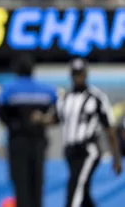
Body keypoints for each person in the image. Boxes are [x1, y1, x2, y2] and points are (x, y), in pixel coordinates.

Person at [40, 58, 122, 207]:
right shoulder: (65, 99)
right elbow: (55, 119)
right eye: (75, 74)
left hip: (88, 150)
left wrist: (116, 158)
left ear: (86, 75)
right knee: (82, 192)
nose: (78, 78)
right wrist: (40, 119)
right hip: (70, 152)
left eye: (81, 74)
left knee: (74, 189)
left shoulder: (96, 97)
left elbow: (109, 128)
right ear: (71, 75)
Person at [0, 54, 57, 207]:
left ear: (16, 70)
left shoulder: (9, 89)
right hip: (39, 141)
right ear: (32, 70)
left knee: (20, 183)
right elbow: (59, 110)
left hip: (18, 142)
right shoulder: (46, 90)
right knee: (37, 182)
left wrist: (12, 125)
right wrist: (44, 121)